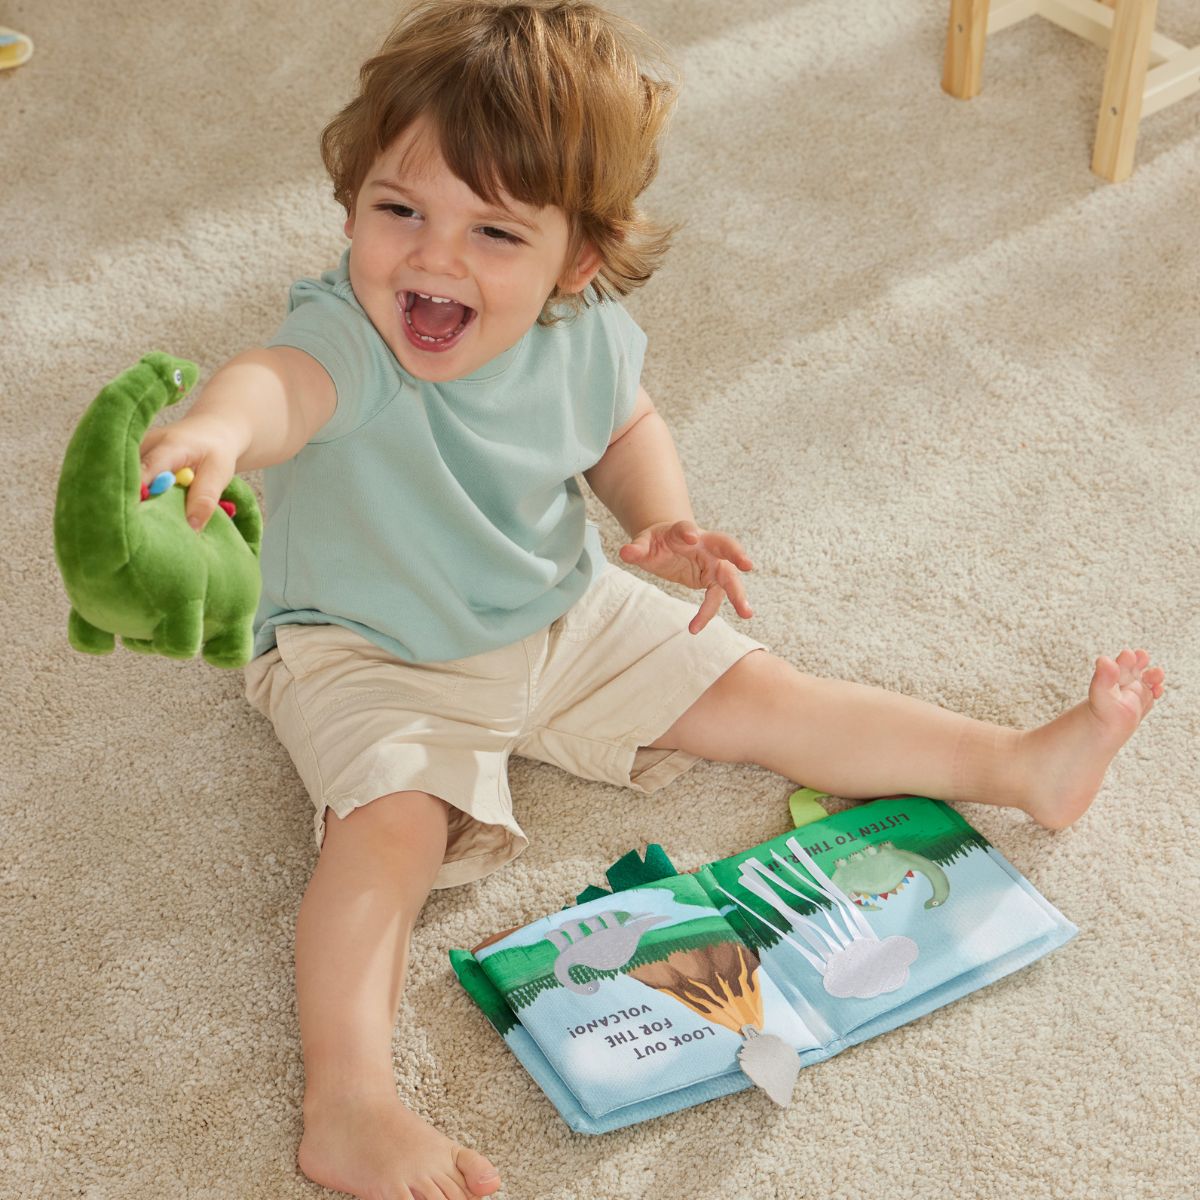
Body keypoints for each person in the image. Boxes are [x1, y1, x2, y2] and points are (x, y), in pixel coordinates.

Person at [137, 3, 1164, 1198]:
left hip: (556, 608)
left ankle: (1016, 765)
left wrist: (658, 516)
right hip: (370, 649)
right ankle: (351, 1102)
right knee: (392, 829)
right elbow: (280, 386)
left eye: (494, 232)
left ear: (577, 261)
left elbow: (622, 425)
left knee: (765, 695)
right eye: (398, 210)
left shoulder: (585, 333)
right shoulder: (346, 334)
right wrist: (217, 430)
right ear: (353, 199)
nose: (432, 260)